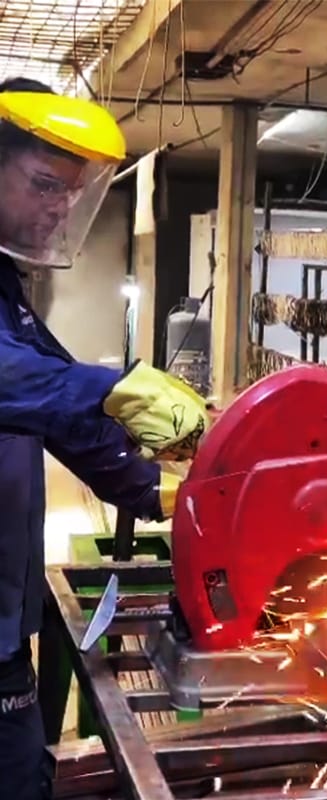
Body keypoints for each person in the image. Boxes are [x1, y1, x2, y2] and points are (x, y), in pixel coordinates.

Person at [0, 77, 210, 799]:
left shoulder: (6, 289)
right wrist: (113, 385)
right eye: (43, 185)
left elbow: (57, 406)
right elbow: (13, 380)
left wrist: (164, 491)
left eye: (70, 193)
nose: (57, 208)